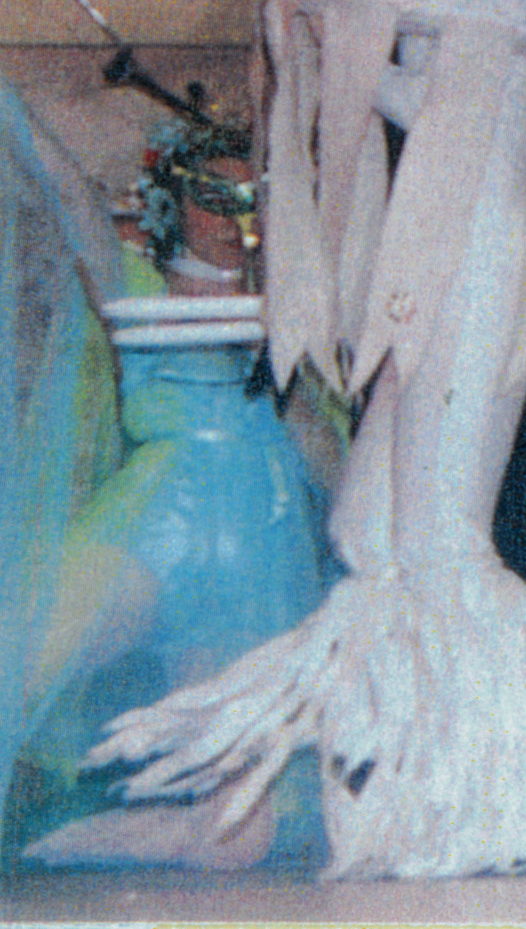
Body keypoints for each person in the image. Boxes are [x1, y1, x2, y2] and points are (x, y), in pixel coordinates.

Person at [17, 115, 333, 869]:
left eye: (251, 199)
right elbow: (72, 195)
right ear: (174, 203)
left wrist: (280, 364)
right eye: (212, 197)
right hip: (154, 524)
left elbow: (332, 464)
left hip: (255, 562)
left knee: (236, 838)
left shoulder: (290, 309)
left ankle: (55, 850)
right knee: (18, 660)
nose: (232, 218)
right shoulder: (134, 281)